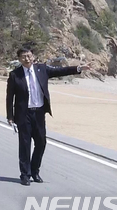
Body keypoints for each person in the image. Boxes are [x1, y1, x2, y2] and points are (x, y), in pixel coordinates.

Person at [6, 46, 91, 186]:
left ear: (33, 56)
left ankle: (35, 170)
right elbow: (10, 97)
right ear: (19, 59)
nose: (26, 59)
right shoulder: (15, 74)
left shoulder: (42, 69)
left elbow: (60, 71)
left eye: (29, 56)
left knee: (41, 143)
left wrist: (79, 68)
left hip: (39, 113)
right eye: (23, 57)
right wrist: (10, 115)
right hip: (23, 114)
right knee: (25, 145)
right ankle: (25, 175)